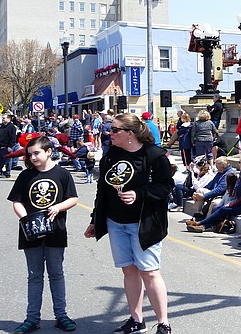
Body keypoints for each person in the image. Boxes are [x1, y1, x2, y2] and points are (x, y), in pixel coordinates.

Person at [83, 113, 174, 334]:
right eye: (110, 129)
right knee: (129, 271)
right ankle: (136, 319)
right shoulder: (112, 154)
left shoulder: (154, 155)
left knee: (150, 272)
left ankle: (163, 323)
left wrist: (139, 194)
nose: (109, 133)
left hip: (144, 224)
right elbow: (102, 190)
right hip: (116, 221)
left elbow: (166, 186)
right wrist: (95, 219)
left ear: (130, 134)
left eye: (115, 130)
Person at [8, 136, 79, 334]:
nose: (33, 157)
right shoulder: (25, 176)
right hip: (31, 233)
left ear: (48, 151)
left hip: (55, 232)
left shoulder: (62, 174)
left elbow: (72, 198)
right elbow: (17, 201)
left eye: (36, 153)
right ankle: (32, 319)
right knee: (34, 276)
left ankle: (61, 315)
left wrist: (58, 207)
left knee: (56, 274)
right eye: (29, 155)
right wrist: (25, 218)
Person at [187, 154, 241, 233]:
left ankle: (200, 223)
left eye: (240, 162)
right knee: (218, 208)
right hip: (239, 201)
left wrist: (232, 204)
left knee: (223, 209)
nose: (238, 164)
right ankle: (203, 226)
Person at [0, 112, 17, 178]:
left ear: (8, 119)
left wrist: (10, 146)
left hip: (6, 147)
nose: (2, 119)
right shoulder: (2, 126)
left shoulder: (11, 127)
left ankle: (7, 173)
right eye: (2, 118)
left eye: (4, 118)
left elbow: (13, 137)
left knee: (7, 161)